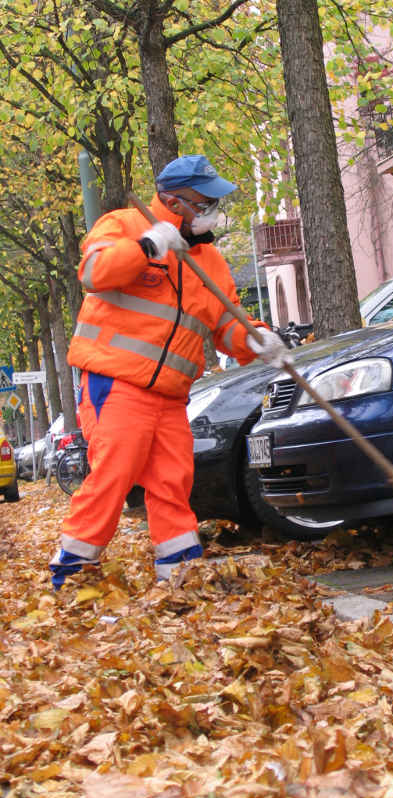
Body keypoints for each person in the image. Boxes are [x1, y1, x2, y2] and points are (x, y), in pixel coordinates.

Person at [50, 155, 289, 590]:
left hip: (171, 395)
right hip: (117, 382)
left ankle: (181, 576)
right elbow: (94, 273)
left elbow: (223, 323)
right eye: (206, 200)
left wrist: (255, 338)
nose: (214, 208)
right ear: (173, 201)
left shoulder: (210, 260)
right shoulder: (122, 225)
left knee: (172, 483)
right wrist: (147, 246)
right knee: (113, 476)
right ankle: (71, 575)